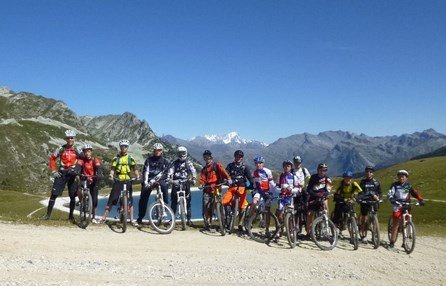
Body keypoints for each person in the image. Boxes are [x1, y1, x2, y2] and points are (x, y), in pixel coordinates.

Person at [42, 130, 80, 221]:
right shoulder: (61, 148)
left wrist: (77, 170)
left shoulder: (78, 149)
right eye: (68, 138)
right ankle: (47, 215)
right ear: (65, 139)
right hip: (62, 173)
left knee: (72, 196)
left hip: (73, 174)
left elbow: (81, 160)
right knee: (54, 194)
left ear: (74, 139)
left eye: (72, 138)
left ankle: (71, 217)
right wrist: (54, 171)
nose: (70, 139)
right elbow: (52, 158)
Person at [101, 139, 140, 226]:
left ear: (127, 147)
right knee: (112, 199)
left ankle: (132, 220)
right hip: (118, 180)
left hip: (128, 180)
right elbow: (112, 169)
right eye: (122, 146)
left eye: (125, 146)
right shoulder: (116, 158)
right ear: (120, 147)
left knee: (130, 200)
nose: (124, 148)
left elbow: (135, 168)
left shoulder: (131, 158)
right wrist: (111, 175)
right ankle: (104, 218)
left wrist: (137, 175)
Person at [387, 170, 425, 249]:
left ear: (406, 178)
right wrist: (391, 199)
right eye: (400, 176)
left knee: (406, 222)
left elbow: (415, 193)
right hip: (397, 205)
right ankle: (392, 242)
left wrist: (420, 199)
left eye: (403, 176)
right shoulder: (394, 185)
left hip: (406, 205)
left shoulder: (408, 186)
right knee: (396, 223)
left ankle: (405, 242)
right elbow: (390, 193)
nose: (401, 178)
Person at [137, 143, 170, 224]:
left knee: (165, 190)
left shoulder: (165, 161)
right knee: (143, 198)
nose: (157, 151)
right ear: (153, 151)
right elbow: (145, 171)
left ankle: (164, 212)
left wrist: (156, 179)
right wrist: (145, 182)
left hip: (159, 180)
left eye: (159, 150)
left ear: (162, 151)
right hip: (149, 180)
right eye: (155, 150)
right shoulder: (148, 160)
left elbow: (165, 172)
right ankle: (140, 217)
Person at [198, 150, 231, 231]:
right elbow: (202, 178)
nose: (207, 158)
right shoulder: (204, 169)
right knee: (206, 206)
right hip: (207, 189)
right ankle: (208, 223)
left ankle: (222, 223)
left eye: (208, 156)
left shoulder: (217, 165)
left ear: (211, 157)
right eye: (205, 157)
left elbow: (223, 172)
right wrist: (201, 184)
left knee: (219, 205)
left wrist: (228, 178)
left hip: (217, 188)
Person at [222, 150, 254, 232]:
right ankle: (227, 219)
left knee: (243, 205)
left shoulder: (245, 167)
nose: (238, 158)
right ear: (234, 157)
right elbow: (225, 174)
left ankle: (240, 223)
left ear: (242, 158)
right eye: (237, 156)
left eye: (240, 157)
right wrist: (226, 180)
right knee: (225, 201)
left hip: (242, 187)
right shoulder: (230, 165)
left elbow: (250, 177)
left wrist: (252, 185)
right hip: (232, 187)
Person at [167, 146, 197, 226]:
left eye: (183, 153)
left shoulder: (188, 162)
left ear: (186, 153)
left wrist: (194, 178)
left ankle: (189, 219)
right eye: (180, 153)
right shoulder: (174, 163)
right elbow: (170, 172)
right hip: (176, 183)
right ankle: (172, 219)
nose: (181, 155)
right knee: (173, 202)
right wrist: (169, 179)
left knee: (188, 202)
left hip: (186, 183)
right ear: (177, 154)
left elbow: (193, 171)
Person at [305, 163, 333, 237]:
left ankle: (326, 222)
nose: (322, 171)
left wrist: (323, 195)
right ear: (318, 170)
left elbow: (328, 190)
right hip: (313, 197)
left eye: (324, 170)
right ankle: (309, 232)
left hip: (322, 197)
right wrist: (315, 195)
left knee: (325, 205)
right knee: (309, 214)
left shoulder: (327, 179)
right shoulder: (313, 177)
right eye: (321, 170)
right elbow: (309, 189)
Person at [249, 156, 276, 232]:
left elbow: (271, 182)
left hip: (267, 191)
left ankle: (267, 229)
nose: (258, 165)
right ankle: (249, 220)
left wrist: (276, 189)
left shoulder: (267, 171)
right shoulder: (254, 172)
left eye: (260, 163)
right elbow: (254, 183)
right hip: (258, 191)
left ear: (263, 163)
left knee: (267, 210)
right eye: (256, 163)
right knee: (254, 202)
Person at [331, 171, 362, 236]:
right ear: (344, 178)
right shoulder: (341, 184)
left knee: (351, 212)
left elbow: (361, 192)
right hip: (342, 201)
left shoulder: (354, 184)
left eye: (349, 178)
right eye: (346, 178)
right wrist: (343, 199)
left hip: (351, 201)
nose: (348, 180)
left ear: (351, 178)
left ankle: (352, 224)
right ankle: (335, 224)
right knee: (338, 213)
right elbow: (336, 195)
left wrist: (356, 199)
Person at [77, 144, 102, 223]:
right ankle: (81, 201)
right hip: (84, 179)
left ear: (91, 152)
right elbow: (78, 166)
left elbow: (98, 168)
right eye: (85, 152)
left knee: (94, 200)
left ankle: (93, 217)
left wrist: (98, 174)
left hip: (93, 180)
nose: (87, 153)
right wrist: (76, 171)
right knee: (78, 189)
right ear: (83, 153)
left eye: (88, 151)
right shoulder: (81, 160)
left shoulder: (95, 160)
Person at [275, 160, 300, 239]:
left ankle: (291, 232)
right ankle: (279, 230)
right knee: (279, 215)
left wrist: (291, 190)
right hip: (282, 198)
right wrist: (281, 190)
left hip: (290, 198)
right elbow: (276, 187)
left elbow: (298, 188)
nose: (286, 167)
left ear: (291, 167)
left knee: (290, 216)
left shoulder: (293, 177)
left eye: (288, 166)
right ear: (283, 167)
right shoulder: (280, 176)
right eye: (285, 166)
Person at [357, 166, 382, 243]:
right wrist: (360, 198)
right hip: (365, 202)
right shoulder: (362, 182)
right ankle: (364, 236)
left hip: (373, 202)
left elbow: (380, 193)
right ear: (365, 173)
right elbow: (360, 193)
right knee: (364, 219)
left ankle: (375, 234)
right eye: (367, 172)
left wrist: (378, 197)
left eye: (370, 172)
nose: (369, 173)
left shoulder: (376, 182)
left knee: (375, 217)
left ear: (373, 173)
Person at [292, 155, 311, 233]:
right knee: (296, 209)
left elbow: (309, 179)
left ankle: (308, 228)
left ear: (301, 163)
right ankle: (296, 226)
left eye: (299, 163)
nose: (297, 164)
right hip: (295, 191)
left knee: (306, 208)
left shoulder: (304, 170)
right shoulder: (292, 171)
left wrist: (305, 185)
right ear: (294, 163)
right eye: (296, 163)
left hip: (304, 191)